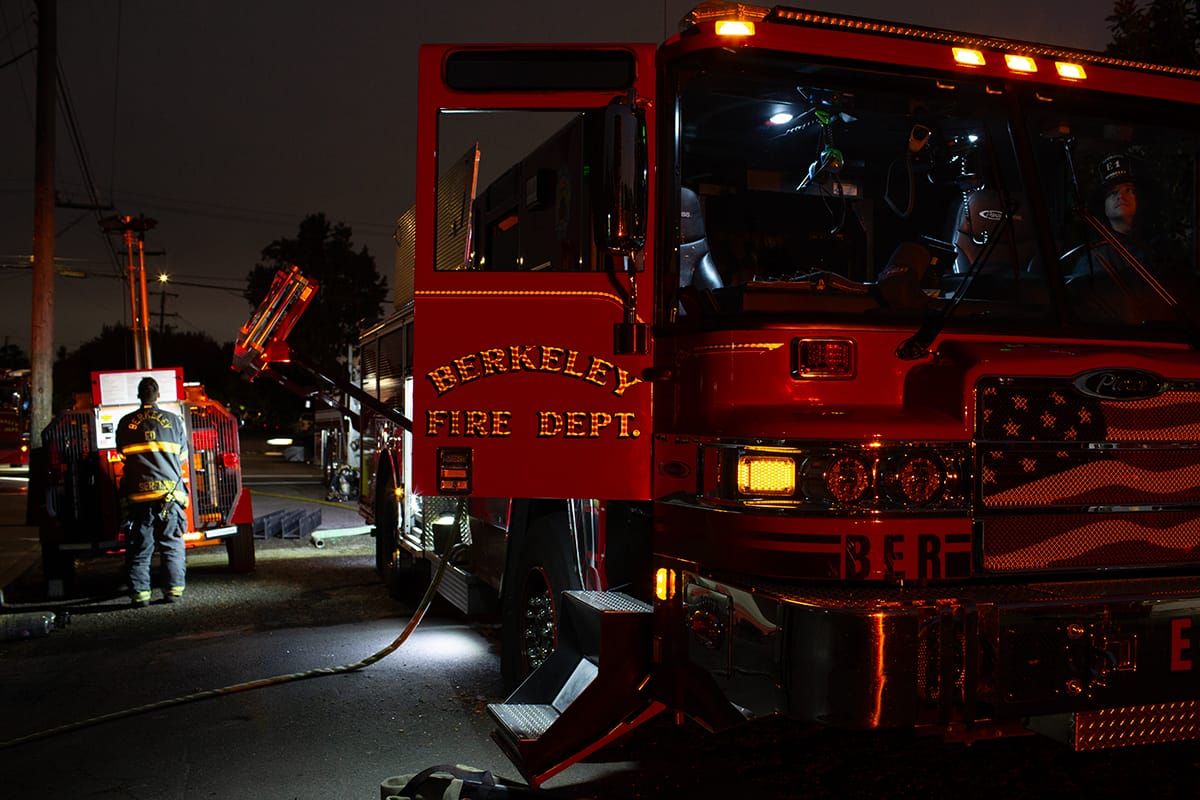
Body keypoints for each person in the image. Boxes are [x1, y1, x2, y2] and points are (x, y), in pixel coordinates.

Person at [116, 377, 189, 607]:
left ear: (139, 395)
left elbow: (122, 456)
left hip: (138, 497)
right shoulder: (174, 421)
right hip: (169, 497)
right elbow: (183, 457)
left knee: (140, 546)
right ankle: (173, 592)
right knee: (171, 544)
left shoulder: (125, 423)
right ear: (158, 395)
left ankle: (140, 596)